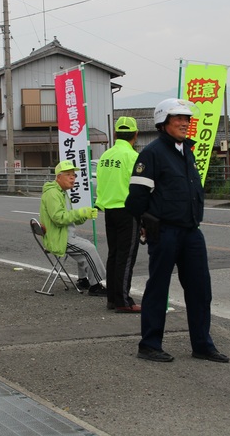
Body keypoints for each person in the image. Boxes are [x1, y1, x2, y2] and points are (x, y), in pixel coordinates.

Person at [125, 98, 229, 363]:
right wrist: (148, 225)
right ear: (163, 123)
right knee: (158, 287)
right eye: (178, 119)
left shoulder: (187, 151)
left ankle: (202, 345)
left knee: (200, 289)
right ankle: (149, 344)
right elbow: (136, 198)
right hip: (165, 231)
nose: (185, 123)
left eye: (187, 119)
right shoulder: (152, 153)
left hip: (191, 231)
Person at [39, 160, 108, 296]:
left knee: (86, 245)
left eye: (74, 175)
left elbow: (69, 217)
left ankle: (83, 280)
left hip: (63, 235)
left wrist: (85, 215)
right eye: (68, 175)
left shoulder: (61, 192)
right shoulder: (53, 193)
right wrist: (81, 213)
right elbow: (59, 218)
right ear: (58, 177)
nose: (73, 178)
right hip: (59, 238)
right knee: (89, 249)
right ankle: (95, 286)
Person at [95, 116, 141, 313]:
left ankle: (113, 298)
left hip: (109, 210)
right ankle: (123, 300)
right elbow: (139, 187)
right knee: (126, 256)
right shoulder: (132, 157)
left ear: (115, 134)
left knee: (114, 254)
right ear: (136, 135)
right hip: (127, 210)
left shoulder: (105, 156)